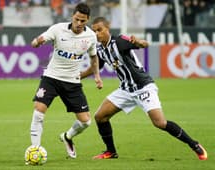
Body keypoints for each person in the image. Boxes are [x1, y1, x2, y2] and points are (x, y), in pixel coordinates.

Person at [80, 17, 208, 160]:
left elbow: (144, 44)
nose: (97, 34)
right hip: (126, 89)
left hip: (143, 87)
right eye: (94, 31)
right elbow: (96, 66)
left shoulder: (120, 41)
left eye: (100, 30)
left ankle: (194, 144)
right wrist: (77, 76)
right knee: (100, 117)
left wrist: (139, 42)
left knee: (160, 123)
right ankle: (111, 152)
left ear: (108, 28)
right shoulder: (100, 49)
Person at [29, 3, 103, 159]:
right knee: (38, 111)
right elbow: (42, 38)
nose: (78, 23)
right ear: (72, 16)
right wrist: (37, 41)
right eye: (76, 19)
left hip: (72, 82)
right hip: (52, 78)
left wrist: (96, 76)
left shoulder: (90, 37)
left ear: (87, 20)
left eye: (82, 21)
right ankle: (35, 150)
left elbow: (94, 57)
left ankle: (67, 137)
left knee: (86, 122)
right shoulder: (58, 29)